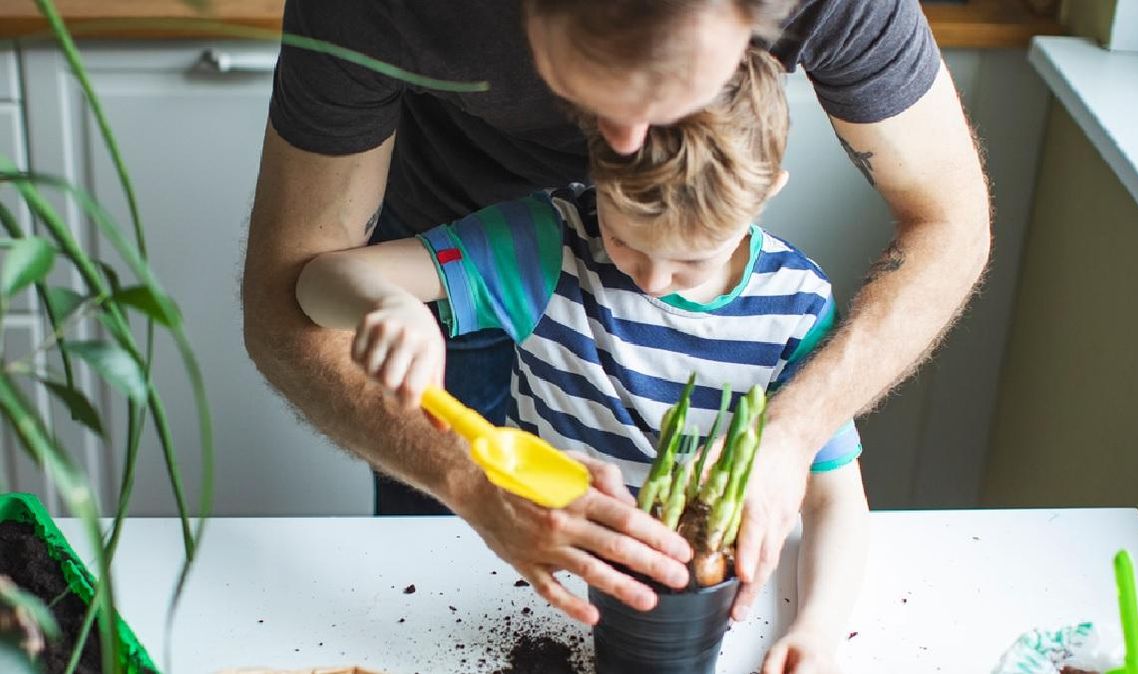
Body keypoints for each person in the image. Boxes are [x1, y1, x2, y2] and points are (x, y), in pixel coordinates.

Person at [243, 0, 988, 625]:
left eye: (669, 94)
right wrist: (461, 475)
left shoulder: (785, 310)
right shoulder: (400, 21)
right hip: (457, 264)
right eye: (599, 102)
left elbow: (950, 224)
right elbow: (292, 297)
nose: (621, 145)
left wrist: (792, 432)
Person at [296, 47, 870, 672]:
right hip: (533, 584)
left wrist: (817, 629)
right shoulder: (548, 244)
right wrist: (389, 302)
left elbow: (834, 500)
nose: (651, 281)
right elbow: (319, 282)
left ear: (767, 192)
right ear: (598, 165)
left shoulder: (797, 307)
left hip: (719, 620)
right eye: (626, 239)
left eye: (691, 261)